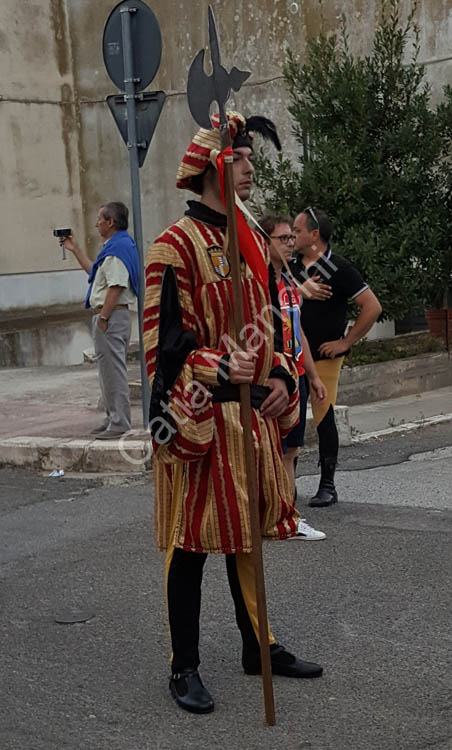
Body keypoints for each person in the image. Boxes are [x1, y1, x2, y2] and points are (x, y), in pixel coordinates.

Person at [143, 112, 323, 716]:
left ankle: (259, 646)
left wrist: (277, 379)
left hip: (248, 418)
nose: (251, 167)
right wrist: (221, 369)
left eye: (249, 157)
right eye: (241, 158)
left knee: (247, 539)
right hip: (198, 419)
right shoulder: (173, 249)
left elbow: (271, 325)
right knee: (190, 544)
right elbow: (165, 353)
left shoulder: (250, 243)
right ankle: (183, 667)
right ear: (214, 166)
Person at [291, 207, 382, 506]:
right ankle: (285, 486)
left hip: (323, 356)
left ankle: (327, 484)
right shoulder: (289, 267)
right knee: (289, 420)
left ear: (314, 235)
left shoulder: (340, 268)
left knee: (323, 416)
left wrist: (346, 342)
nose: (292, 236)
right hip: (291, 354)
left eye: (298, 231)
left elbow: (372, 306)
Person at [259, 214, 328, 540]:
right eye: (282, 238)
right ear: (264, 241)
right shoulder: (258, 281)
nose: (289, 243)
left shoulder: (288, 280)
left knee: (290, 451)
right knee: (270, 450)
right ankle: (274, 515)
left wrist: (313, 377)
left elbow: (297, 330)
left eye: (291, 238)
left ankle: (288, 516)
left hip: (295, 373)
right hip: (271, 375)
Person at [62, 202, 139, 439]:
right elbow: (95, 274)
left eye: (99, 219)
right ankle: (112, 417)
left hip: (111, 316)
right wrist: (74, 249)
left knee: (113, 371)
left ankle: (119, 423)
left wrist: (103, 317)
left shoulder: (118, 250)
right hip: (111, 316)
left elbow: (116, 286)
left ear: (110, 222)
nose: (96, 224)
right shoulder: (115, 247)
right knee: (107, 371)